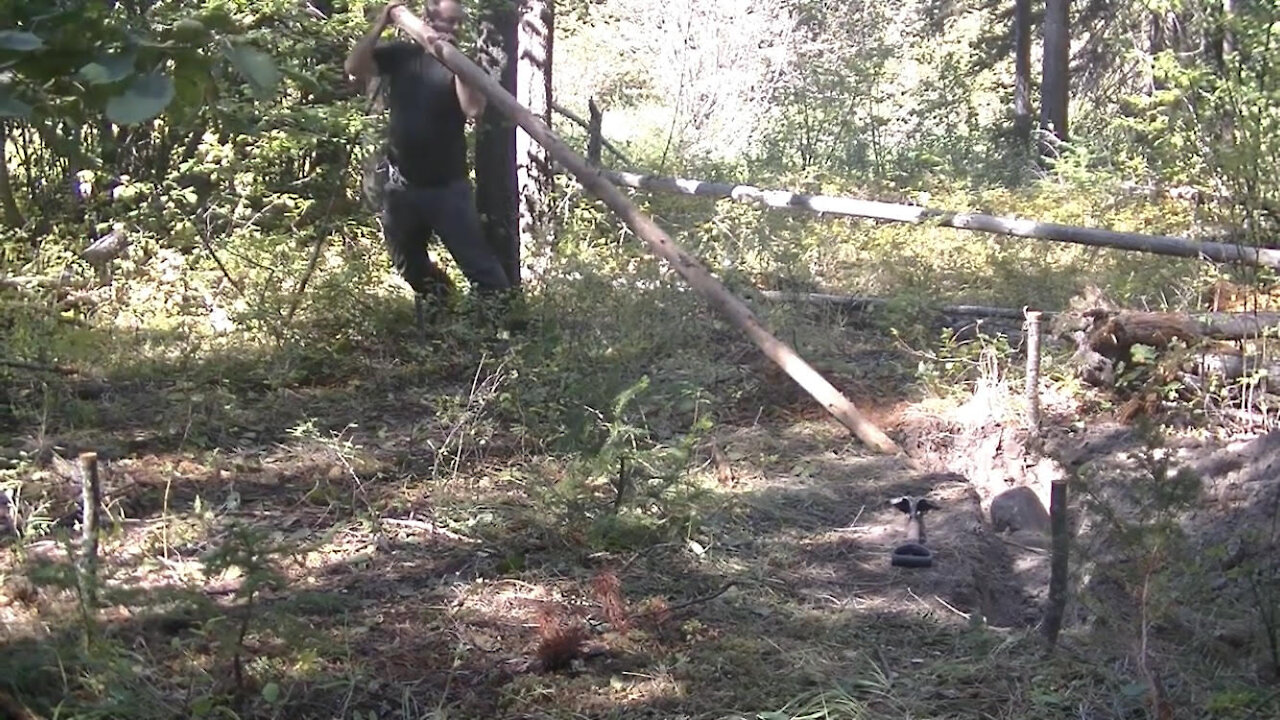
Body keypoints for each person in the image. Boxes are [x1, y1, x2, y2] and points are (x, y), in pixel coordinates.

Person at [344, 0, 513, 323]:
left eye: (455, 25)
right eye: (441, 22)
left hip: (447, 189)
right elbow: (354, 67)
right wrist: (381, 22)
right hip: (401, 186)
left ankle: (504, 333)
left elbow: (473, 110)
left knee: (482, 269)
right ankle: (443, 305)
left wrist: (455, 64)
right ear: (424, 20)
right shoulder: (402, 56)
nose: (447, 30)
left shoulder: (465, 65)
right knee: (408, 263)